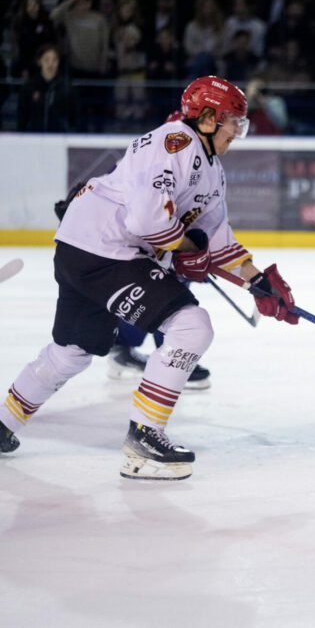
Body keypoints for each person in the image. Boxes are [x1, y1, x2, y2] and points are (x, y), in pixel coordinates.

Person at [0, 76, 299, 480]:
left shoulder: (211, 169)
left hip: (81, 247)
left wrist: (257, 281)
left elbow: (216, 238)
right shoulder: (174, 141)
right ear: (207, 117)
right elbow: (146, 220)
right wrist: (183, 246)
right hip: (107, 252)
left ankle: (4, 421)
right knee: (192, 326)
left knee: (73, 348)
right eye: (232, 120)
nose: (237, 130)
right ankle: (144, 435)